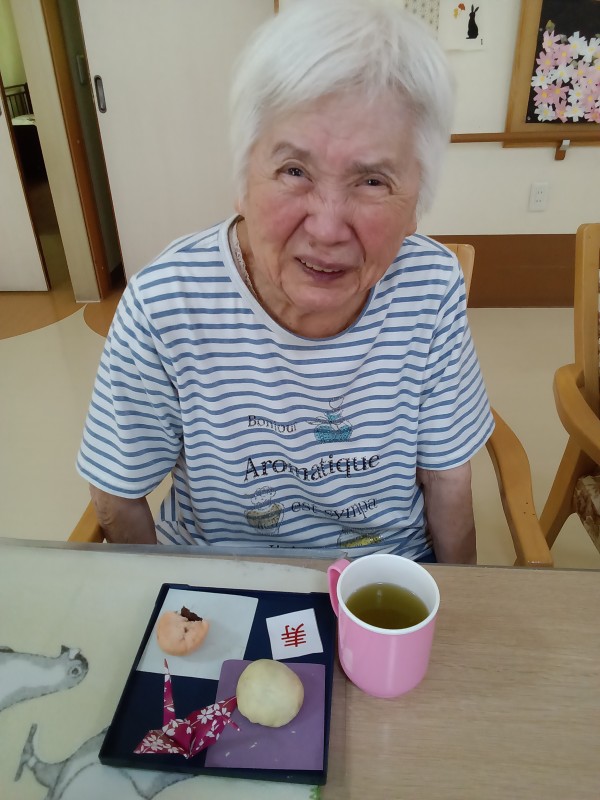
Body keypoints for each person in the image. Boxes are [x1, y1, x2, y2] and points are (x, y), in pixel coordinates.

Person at [77, 0, 494, 563]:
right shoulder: (166, 305)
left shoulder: (431, 287)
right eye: (294, 171)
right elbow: (116, 494)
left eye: (372, 181)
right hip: (224, 582)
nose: (326, 228)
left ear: (417, 202)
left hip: (384, 581)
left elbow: (449, 480)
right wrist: (164, 598)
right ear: (241, 180)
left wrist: (458, 602)